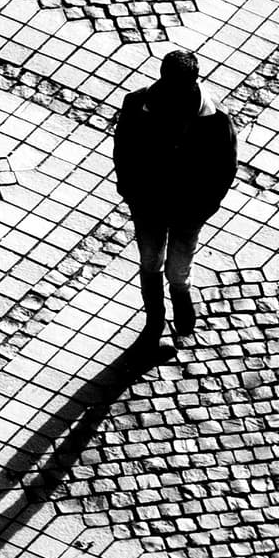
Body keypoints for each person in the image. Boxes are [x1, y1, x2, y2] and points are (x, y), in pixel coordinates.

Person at [112, 49, 236, 350]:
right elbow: (123, 150)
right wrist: (130, 191)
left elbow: (224, 168)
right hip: (148, 204)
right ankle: (155, 318)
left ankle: (181, 312)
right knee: (150, 261)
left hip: (188, 210)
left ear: (193, 80)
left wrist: (205, 206)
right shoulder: (137, 102)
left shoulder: (215, 117)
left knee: (178, 267)